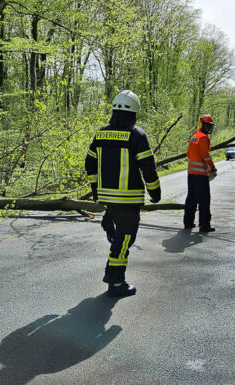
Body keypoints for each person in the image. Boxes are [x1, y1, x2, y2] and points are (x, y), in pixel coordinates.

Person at [85, 90, 161, 298]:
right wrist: (155, 192)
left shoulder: (100, 133)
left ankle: (109, 219)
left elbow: (89, 163)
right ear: (135, 112)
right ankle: (116, 282)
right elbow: (148, 168)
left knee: (121, 237)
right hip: (128, 200)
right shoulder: (137, 135)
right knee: (125, 239)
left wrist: (95, 189)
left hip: (108, 199)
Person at [184, 115, 216, 233]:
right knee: (204, 200)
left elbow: (188, 154)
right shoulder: (203, 138)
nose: (209, 128)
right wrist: (212, 167)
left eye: (210, 126)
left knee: (191, 198)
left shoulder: (194, 137)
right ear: (202, 125)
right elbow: (205, 155)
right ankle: (204, 225)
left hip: (191, 174)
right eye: (208, 125)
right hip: (200, 175)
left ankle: (188, 222)